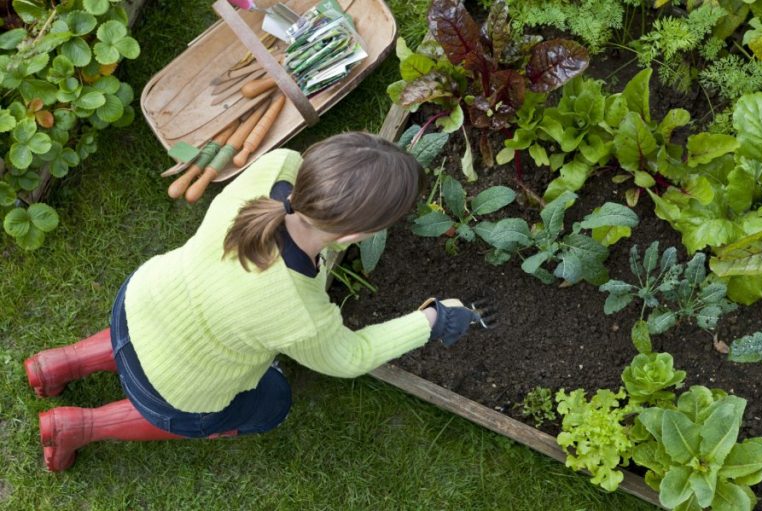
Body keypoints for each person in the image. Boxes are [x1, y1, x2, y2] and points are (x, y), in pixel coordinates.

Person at [25, 131, 482, 472]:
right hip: (171, 390)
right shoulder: (299, 313)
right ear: (354, 237)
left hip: (140, 301)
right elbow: (351, 356)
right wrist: (431, 321)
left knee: (163, 330)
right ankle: (79, 427)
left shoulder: (276, 167)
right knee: (272, 402)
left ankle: (59, 364)